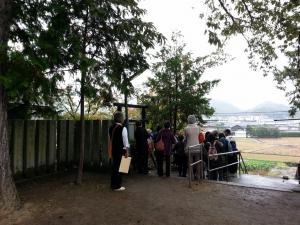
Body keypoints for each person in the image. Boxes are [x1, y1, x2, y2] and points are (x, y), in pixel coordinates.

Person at [109, 111, 129, 191]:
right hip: (121, 150)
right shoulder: (123, 128)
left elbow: (110, 139)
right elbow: (125, 142)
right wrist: (127, 150)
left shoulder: (111, 127)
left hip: (113, 150)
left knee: (115, 167)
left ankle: (113, 184)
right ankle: (117, 186)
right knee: (121, 168)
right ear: (121, 119)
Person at [184, 115, 201, 179]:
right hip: (197, 146)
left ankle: (191, 176)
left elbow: (185, 139)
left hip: (189, 147)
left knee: (190, 162)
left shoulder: (186, 128)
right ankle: (198, 175)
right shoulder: (198, 128)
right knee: (198, 162)